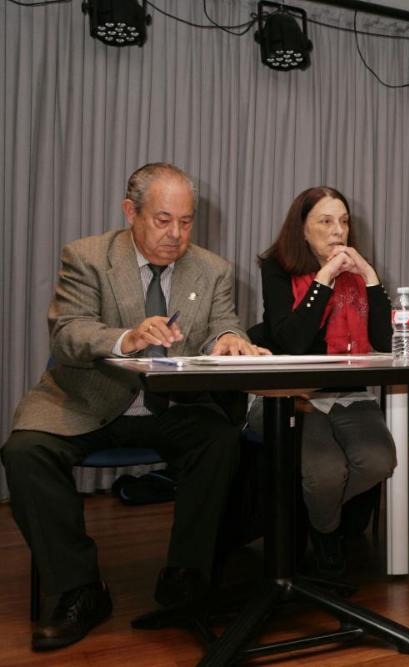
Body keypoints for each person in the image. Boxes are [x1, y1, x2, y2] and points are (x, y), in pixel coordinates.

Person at [1, 163, 268, 651]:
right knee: (25, 452)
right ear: (131, 212)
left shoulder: (213, 269)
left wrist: (231, 337)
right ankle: (78, 589)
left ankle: (185, 575)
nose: (175, 234)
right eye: (163, 220)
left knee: (220, 439)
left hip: (172, 408)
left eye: (186, 222)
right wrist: (126, 338)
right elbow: (68, 333)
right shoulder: (86, 257)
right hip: (87, 400)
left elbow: (224, 324)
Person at [248, 186, 396, 581]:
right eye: (326, 221)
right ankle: (329, 540)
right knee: (326, 473)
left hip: (345, 391)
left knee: (379, 461)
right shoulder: (277, 268)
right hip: (287, 393)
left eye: (344, 221)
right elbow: (291, 342)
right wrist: (325, 278)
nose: (338, 232)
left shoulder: (356, 273)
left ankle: (316, 521)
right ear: (303, 228)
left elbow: (384, 340)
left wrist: (368, 276)